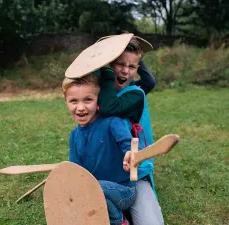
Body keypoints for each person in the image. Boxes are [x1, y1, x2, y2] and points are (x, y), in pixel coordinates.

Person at [97, 36, 165, 225]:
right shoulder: (96, 91)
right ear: (109, 63)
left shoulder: (135, 94)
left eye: (133, 67)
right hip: (103, 173)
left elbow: (109, 107)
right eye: (119, 64)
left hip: (133, 175)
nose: (125, 71)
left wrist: (109, 70)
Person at [62, 73, 146, 225]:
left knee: (91, 188)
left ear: (98, 99)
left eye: (88, 100)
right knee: (79, 189)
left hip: (124, 190)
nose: (81, 108)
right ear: (66, 101)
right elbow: (76, 171)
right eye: (74, 101)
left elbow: (129, 143)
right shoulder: (74, 136)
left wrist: (130, 152)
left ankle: (119, 221)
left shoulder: (112, 122)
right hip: (95, 191)